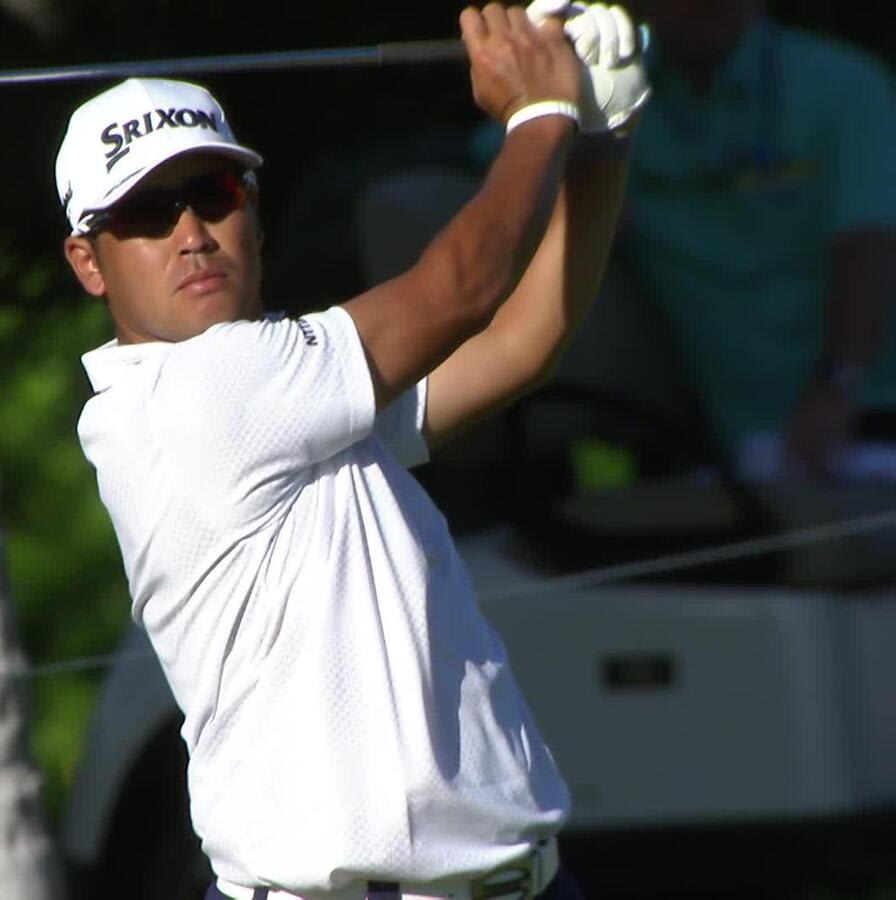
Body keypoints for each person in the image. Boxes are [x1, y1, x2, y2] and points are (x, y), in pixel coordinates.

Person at [56, 2, 648, 898]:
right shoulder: (201, 396)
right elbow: (462, 289)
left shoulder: (297, 392)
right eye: (146, 211)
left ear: (249, 210)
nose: (191, 233)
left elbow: (526, 342)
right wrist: (540, 117)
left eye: (213, 195)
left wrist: (601, 142)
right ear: (90, 263)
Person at [619, 0, 896, 480]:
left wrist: (836, 387)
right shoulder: (608, 97)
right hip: (718, 446)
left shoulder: (848, 83)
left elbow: (869, 242)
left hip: (865, 425)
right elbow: (504, 162)